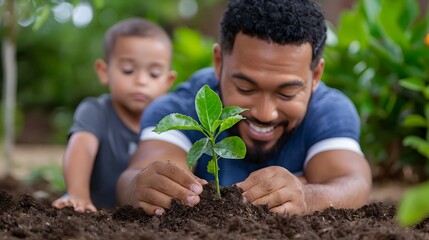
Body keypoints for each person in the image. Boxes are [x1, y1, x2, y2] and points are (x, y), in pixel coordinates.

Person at [116, 0, 372, 216]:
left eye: (286, 92)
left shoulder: (329, 111)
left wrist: (306, 195)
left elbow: (352, 182)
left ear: (315, 76)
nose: (264, 113)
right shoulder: (179, 109)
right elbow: (136, 174)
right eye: (246, 89)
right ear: (219, 63)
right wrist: (141, 185)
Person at [52, 18, 176, 212]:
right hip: (97, 212)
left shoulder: (170, 122)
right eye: (128, 70)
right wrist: (77, 194)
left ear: (168, 81)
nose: (141, 80)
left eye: (154, 74)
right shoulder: (96, 111)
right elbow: (81, 147)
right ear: (104, 71)